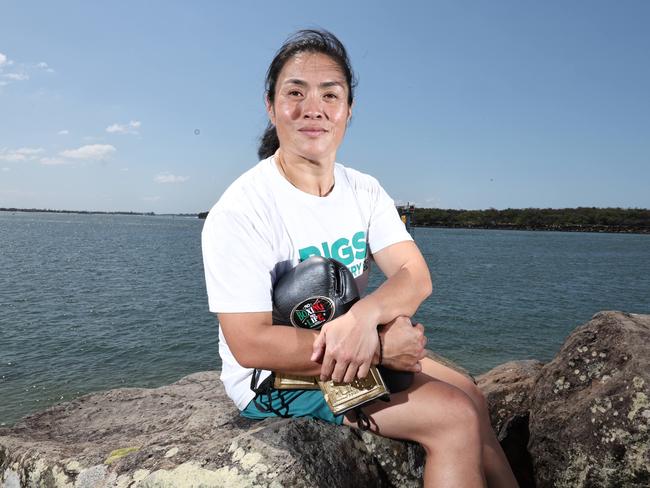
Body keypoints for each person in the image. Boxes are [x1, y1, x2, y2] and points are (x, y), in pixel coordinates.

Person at [202, 29, 518, 488]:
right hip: (272, 379)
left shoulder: (364, 190)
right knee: (451, 417)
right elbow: (250, 344)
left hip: (352, 347)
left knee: (471, 394)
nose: (314, 107)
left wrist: (367, 318)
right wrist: (381, 347)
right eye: (295, 92)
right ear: (270, 106)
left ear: (348, 110)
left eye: (330, 94)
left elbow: (415, 276)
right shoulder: (242, 210)